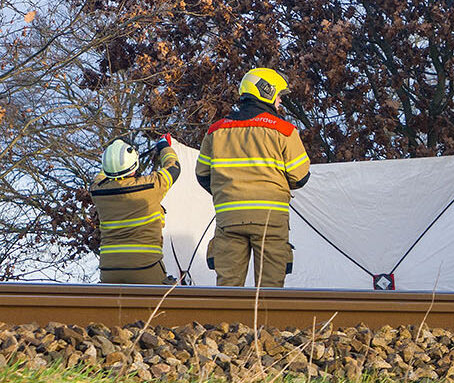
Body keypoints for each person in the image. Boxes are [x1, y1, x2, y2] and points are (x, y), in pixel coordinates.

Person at [196, 67, 310, 287]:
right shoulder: (285, 131)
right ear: (266, 92)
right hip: (271, 221)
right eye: (278, 95)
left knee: (227, 288)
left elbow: (203, 176)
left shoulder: (216, 131)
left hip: (229, 220)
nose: (280, 102)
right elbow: (301, 176)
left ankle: (227, 322)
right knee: (270, 292)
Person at [90, 136, 180, 284]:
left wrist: (113, 158)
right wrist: (164, 146)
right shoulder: (151, 185)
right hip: (146, 268)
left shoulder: (97, 191)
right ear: (134, 164)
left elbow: (101, 176)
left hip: (109, 271)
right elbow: (174, 167)